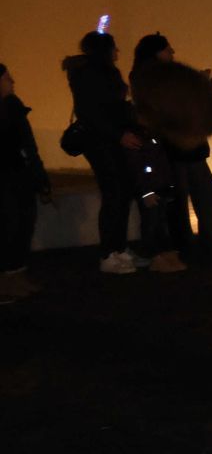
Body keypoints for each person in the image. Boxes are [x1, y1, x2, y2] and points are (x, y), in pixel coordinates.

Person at [132, 34, 212, 264]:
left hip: (189, 149)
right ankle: (192, 248)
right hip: (172, 151)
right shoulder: (151, 79)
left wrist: (211, 84)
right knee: (184, 203)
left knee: (201, 200)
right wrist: (203, 86)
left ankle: (204, 246)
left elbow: (189, 107)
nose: (172, 54)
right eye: (168, 50)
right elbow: (179, 109)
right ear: (156, 53)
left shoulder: (158, 78)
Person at [63, 30, 140, 273]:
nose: (118, 52)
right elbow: (92, 112)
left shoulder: (97, 73)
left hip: (112, 139)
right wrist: (119, 134)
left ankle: (118, 248)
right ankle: (109, 253)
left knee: (121, 193)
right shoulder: (91, 74)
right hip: (101, 142)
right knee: (114, 194)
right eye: (114, 47)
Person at [0, 65, 52, 299]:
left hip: (18, 174)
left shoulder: (13, 106)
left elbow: (28, 146)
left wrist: (40, 179)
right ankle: (7, 278)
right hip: (7, 176)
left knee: (24, 222)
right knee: (9, 225)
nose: (12, 81)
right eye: (6, 78)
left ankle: (17, 273)